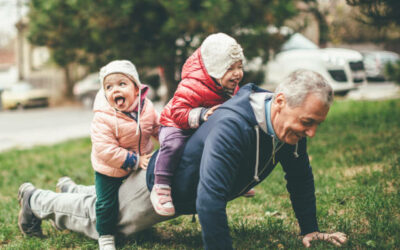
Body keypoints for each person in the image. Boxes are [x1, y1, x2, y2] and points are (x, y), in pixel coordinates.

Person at [18, 70, 347, 249]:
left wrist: (311, 229)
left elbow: (300, 176)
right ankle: (36, 200)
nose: (312, 132)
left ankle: (73, 189)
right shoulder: (235, 124)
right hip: (160, 188)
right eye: (308, 122)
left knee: (107, 202)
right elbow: (210, 199)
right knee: (102, 221)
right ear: (279, 102)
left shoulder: (287, 128)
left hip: (179, 190)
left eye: (317, 123)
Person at [151, 32, 245, 216]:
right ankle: (161, 186)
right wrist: (201, 114)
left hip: (202, 123)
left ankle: (234, 178)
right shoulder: (191, 84)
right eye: (230, 68)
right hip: (175, 123)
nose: (237, 73)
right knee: (174, 144)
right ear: (214, 69)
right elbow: (177, 112)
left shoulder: (229, 86)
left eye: (239, 66)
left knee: (226, 141)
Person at [77, 60, 159, 249]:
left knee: (140, 194)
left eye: (122, 84)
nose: (115, 90)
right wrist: (136, 160)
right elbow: (105, 150)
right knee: (106, 203)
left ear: (137, 89)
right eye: (109, 86)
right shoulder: (103, 117)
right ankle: (105, 235)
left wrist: (168, 138)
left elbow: (156, 127)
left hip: (141, 159)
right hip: (110, 167)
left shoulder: (146, 108)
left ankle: (142, 225)